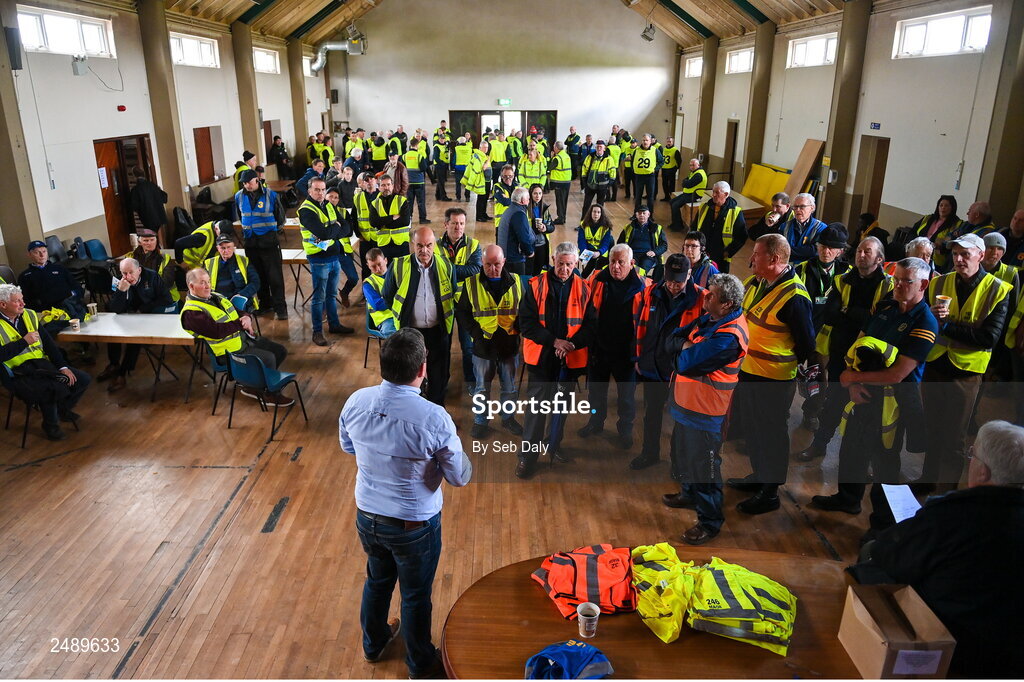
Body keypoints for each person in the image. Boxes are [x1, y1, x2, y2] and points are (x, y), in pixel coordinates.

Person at [338, 327, 471, 680]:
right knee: (414, 596)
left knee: (377, 580)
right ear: (423, 368)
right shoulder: (434, 417)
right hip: (414, 525)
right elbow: (459, 476)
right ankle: (420, 665)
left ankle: (375, 643)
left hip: (368, 517)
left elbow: (348, 446)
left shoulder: (356, 402)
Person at [850, 419, 1024, 679]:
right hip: (1011, 658)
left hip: (950, 648)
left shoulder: (952, 515)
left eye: (972, 455)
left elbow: (893, 558)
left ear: (983, 472)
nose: (970, 461)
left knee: (871, 553)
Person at [810, 257, 938, 520]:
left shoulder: (925, 322)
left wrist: (851, 379)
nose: (899, 285)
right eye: (897, 279)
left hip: (893, 401)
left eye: (906, 281)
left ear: (924, 284)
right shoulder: (885, 308)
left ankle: (884, 521)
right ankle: (847, 499)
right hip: (863, 392)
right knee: (851, 448)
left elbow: (897, 374)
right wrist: (853, 384)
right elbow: (859, 344)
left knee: (884, 460)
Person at [727, 234, 816, 515]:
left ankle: (770, 492)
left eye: (756, 254)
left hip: (774, 379)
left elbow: (807, 344)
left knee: (772, 433)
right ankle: (758, 476)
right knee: (753, 430)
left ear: (774, 259)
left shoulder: (795, 297)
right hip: (750, 372)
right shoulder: (757, 282)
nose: (751, 259)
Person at [918, 233, 1011, 493]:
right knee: (932, 428)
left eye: (965, 254)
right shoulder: (939, 283)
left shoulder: (997, 289)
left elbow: (988, 338)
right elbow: (923, 322)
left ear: (981, 256)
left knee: (954, 436)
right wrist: (932, 320)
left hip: (966, 372)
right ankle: (926, 480)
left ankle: (948, 490)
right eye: (955, 254)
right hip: (936, 365)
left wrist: (945, 326)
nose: (958, 260)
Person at [665, 273, 749, 545]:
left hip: (705, 412)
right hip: (687, 404)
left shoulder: (729, 337)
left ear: (725, 304)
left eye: (711, 294)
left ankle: (709, 522)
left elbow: (685, 363)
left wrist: (683, 347)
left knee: (705, 467)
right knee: (687, 458)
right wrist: (683, 345)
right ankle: (689, 493)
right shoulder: (711, 319)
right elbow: (674, 338)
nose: (705, 295)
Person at [799, 236, 893, 461]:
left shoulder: (888, 284)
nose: (861, 255)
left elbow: (880, 321)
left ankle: (867, 460)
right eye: (859, 250)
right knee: (833, 401)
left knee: (870, 409)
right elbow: (830, 315)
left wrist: (847, 311)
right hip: (842, 350)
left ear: (879, 258)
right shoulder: (843, 279)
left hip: (873, 357)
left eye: (867, 252)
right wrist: (862, 315)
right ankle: (819, 445)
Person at [517, 242, 596, 478]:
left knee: (561, 407)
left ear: (576, 264)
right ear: (553, 260)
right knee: (537, 409)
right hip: (542, 357)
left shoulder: (585, 289)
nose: (564, 268)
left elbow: (592, 326)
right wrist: (554, 342)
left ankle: (554, 444)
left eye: (569, 264)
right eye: (560, 263)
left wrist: (570, 345)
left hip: (570, 359)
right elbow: (526, 324)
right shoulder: (535, 285)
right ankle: (527, 457)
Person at [632, 254, 707, 471]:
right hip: (653, 365)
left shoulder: (703, 299)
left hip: (682, 370)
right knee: (651, 414)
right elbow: (639, 327)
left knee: (681, 419)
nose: (674, 286)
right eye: (670, 280)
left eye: (679, 281)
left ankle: (678, 461)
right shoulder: (650, 293)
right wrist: (639, 358)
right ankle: (649, 453)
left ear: (690, 275)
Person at [179, 268, 291, 406]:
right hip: (228, 353)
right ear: (191, 286)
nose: (208, 286)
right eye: (202, 283)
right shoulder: (191, 313)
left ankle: (253, 385)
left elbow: (236, 311)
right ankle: (270, 394)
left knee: (280, 351)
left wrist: (246, 317)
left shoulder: (215, 296)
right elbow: (217, 331)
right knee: (268, 358)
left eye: (208, 281)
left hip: (244, 340)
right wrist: (240, 324)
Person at [0, 283, 91, 440]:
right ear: (3, 304)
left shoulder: (29, 315)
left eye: (22, 299)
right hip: (18, 373)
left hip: (42, 366)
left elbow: (49, 346)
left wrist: (63, 367)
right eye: (17, 301)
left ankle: (62, 409)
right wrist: (23, 342)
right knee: (49, 391)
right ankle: (51, 426)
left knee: (83, 379)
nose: (23, 304)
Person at [578, 244, 646, 450]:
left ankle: (625, 430)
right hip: (600, 349)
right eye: (612, 262)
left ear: (632, 264)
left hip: (626, 353)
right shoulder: (598, 280)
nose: (615, 267)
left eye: (621, 263)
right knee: (596, 393)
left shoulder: (643, 287)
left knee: (626, 398)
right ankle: (595, 422)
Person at [382, 227, 457, 407]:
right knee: (410, 374)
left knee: (438, 373)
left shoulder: (446, 266)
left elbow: (452, 293)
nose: (424, 250)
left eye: (429, 245)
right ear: (412, 245)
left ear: (435, 245)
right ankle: (414, 408)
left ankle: (436, 409)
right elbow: (387, 295)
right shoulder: (398, 266)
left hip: (438, 330)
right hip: (410, 331)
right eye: (420, 246)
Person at [456, 245, 524, 438]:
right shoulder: (470, 284)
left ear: (503, 262)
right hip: (482, 346)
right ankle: (480, 421)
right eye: (487, 265)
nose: (492, 269)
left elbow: (526, 309)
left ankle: (508, 418)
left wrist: (518, 327)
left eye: (496, 264)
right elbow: (462, 313)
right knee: (481, 388)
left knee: (509, 387)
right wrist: (476, 333)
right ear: (481, 263)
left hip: (509, 345)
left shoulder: (517, 282)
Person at [793, 223, 850, 434]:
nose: (826, 251)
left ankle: (817, 412)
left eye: (831, 248)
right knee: (807, 374)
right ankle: (800, 410)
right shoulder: (802, 270)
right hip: (809, 332)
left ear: (840, 251)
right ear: (816, 247)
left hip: (835, 336)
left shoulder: (847, 274)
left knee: (827, 378)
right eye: (822, 246)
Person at [96, 258, 174, 392]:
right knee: (113, 331)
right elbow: (114, 309)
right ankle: (114, 364)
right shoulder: (120, 281)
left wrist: (144, 308)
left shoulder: (152, 276)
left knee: (134, 338)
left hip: (151, 316)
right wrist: (121, 292)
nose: (128, 277)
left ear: (139, 270)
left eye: (131, 272)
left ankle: (122, 373)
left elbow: (166, 299)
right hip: (129, 316)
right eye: (124, 273)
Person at [298, 177, 353, 347]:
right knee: (319, 298)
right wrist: (335, 229)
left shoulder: (328, 204)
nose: (321, 193)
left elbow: (347, 227)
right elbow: (323, 233)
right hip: (319, 259)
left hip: (334, 256)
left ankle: (334, 325)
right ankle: (317, 332)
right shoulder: (306, 210)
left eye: (323, 190)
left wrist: (333, 230)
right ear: (309, 191)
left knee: (331, 295)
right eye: (317, 190)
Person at [234, 169, 288, 320]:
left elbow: (281, 218)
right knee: (258, 277)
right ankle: (265, 304)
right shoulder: (239, 196)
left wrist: (271, 231)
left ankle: (280, 308)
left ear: (257, 180)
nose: (247, 185)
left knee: (275, 278)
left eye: (249, 182)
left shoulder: (271, 195)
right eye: (244, 183)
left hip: (269, 242)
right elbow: (240, 216)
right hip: (251, 243)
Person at [438, 208, 482, 394]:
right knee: (442, 346)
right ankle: (442, 381)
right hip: (442, 302)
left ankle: (471, 382)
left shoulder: (474, 245)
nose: (459, 227)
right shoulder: (434, 246)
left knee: (468, 346)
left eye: (462, 223)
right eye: (455, 223)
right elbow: (431, 269)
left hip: (466, 303)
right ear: (446, 224)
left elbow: (475, 270)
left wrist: (447, 270)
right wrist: (459, 270)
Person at [17, 240, 87, 326]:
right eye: (37, 252)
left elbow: (78, 288)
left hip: (69, 307)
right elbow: (25, 302)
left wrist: (71, 295)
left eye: (44, 251)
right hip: (47, 314)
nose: (42, 255)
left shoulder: (59, 269)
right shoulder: (25, 276)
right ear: (29, 255)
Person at [692, 181, 747, 273]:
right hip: (701, 253)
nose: (713, 195)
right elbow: (694, 228)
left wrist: (728, 252)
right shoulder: (704, 207)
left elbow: (742, 236)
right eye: (713, 191)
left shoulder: (736, 212)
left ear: (726, 194)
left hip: (721, 257)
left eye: (717, 192)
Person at [204, 233, 259, 311]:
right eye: (222, 248)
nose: (226, 250)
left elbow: (255, 282)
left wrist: (241, 295)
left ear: (233, 246)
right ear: (217, 248)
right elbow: (202, 284)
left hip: (239, 297)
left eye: (228, 247)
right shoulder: (209, 263)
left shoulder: (244, 261)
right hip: (217, 299)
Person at [122, 227, 177, 305]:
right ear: (139, 242)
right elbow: (125, 279)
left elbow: (167, 282)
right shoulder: (130, 258)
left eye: (152, 240)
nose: (149, 243)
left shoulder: (165, 258)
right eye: (146, 240)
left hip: (162, 298)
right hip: (137, 297)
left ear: (156, 241)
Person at [369, 174, 412, 263]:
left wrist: (382, 223)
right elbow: (373, 222)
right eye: (383, 185)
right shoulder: (374, 204)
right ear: (379, 187)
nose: (386, 187)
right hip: (384, 245)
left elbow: (405, 221)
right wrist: (392, 217)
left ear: (392, 186)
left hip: (401, 243)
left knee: (403, 271)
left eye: (388, 184)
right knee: (386, 272)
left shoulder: (402, 200)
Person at [618, 205, 668, 278]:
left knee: (642, 270)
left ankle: (641, 282)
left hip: (648, 255)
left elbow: (664, 245)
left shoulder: (657, 228)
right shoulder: (628, 227)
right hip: (633, 254)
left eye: (644, 213)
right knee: (629, 269)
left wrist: (654, 252)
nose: (642, 215)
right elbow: (620, 243)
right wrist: (626, 253)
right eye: (639, 213)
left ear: (648, 215)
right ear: (636, 215)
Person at [777, 192, 827, 264]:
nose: (798, 210)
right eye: (795, 207)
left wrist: (788, 251)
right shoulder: (784, 226)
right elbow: (779, 249)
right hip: (786, 267)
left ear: (812, 208)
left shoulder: (821, 228)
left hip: (809, 268)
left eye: (802, 206)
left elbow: (815, 251)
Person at [496, 187, 535, 277]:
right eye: (528, 198)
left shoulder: (510, 210)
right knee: (518, 286)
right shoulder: (519, 214)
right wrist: (530, 252)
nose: (529, 201)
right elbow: (524, 238)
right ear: (522, 200)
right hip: (515, 260)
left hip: (507, 257)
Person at [362, 248, 397, 338]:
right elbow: (378, 305)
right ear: (368, 266)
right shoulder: (368, 284)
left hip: (401, 314)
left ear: (385, 260)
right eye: (373, 266)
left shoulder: (397, 275)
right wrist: (398, 298)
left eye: (379, 264)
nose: (377, 269)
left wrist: (385, 298)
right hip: (386, 320)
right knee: (396, 339)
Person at [128, 167, 168, 245]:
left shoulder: (136, 190)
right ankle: (156, 249)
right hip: (159, 215)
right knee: (153, 235)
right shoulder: (153, 185)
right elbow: (164, 198)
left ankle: (155, 250)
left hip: (147, 217)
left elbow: (134, 206)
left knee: (150, 237)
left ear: (134, 176)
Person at [668, 158, 708, 231]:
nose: (691, 167)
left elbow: (688, 184)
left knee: (675, 205)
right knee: (672, 202)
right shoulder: (694, 172)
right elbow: (685, 181)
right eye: (690, 165)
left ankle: (678, 226)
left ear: (698, 165)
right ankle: (675, 223)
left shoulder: (699, 174)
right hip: (688, 193)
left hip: (695, 195)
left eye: (693, 165)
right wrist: (685, 182)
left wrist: (685, 182)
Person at [353, 172, 380, 279]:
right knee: (366, 267)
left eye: (371, 179)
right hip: (365, 239)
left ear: (376, 181)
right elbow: (354, 217)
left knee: (380, 265)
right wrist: (358, 234)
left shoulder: (382, 196)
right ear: (363, 183)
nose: (369, 182)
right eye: (366, 180)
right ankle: (366, 293)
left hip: (380, 238)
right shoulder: (358, 197)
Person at [577, 203, 615, 278]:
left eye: (598, 212)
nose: (596, 214)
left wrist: (599, 252)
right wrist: (585, 252)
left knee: (595, 263)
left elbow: (606, 243)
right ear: (590, 213)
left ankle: (584, 278)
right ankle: (584, 278)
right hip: (587, 249)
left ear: (601, 214)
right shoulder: (583, 225)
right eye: (594, 212)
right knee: (588, 261)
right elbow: (581, 241)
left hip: (601, 251)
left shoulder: (606, 227)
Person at [526, 184, 556, 276]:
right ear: (530, 194)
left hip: (542, 244)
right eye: (535, 193)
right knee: (529, 271)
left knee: (539, 271)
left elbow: (552, 227)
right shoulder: (525, 208)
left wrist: (545, 228)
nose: (537, 196)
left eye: (539, 193)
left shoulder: (544, 208)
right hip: (530, 245)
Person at [581, 140, 616, 216]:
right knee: (586, 205)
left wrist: (608, 184)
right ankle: (583, 224)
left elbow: (612, 172)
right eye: (597, 147)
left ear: (604, 148)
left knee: (600, 207)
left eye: (600, 147)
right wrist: (585, 182)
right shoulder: (590, 157)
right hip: (590, 185)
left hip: (602, 186)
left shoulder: (609, 159)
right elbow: (584, 169)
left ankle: (599, 224)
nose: (599, 148)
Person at [403, 142, 433, 225]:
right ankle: (422, 219)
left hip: (409, 182)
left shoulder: (405, 156)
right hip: (419, 181)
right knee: (421, 201)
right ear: (416, 146)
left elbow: (403, 167)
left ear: (410, 145)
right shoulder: (419, 156)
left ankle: (409, 219)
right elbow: (424, 168)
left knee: (409, 201)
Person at [462, 140, 491, 223]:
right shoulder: (477, 156)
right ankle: (479, 216)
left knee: (485, 198)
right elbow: (481, 168)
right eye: (484, 147)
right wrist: (487, 161)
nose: (486, 149)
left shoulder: (484, 156)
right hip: (481, 181)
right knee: (481, 199)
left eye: (487, 148)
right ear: (480, 147)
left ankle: (484, 213)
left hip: (487, 180)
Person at [631, 134, 662, 211]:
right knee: (638, 196)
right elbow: (632, 162)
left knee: (650, 197)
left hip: (650, 176)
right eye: (643, 140)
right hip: (639, 176)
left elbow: (661, 161)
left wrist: (656, 169)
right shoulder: (636, 150)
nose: (645, 142)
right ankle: (636, 214)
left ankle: (650, 215)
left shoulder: (655, 150)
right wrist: (634, 170)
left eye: (647, 140)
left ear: (650, 141)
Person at [548, 141, 572, 225]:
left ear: (557, 148)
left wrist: (551, 157)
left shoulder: (557, 158)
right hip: (567, 182)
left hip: (559, 183)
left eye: (554, 147)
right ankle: (563, 217)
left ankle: (560, 218)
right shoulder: (566, 156)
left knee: (560, 201)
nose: (553, 149)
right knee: (564, 201)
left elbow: (549, 168)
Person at [491, 164, 518, 231]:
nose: (508, 178)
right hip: (501, 223)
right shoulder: (497, 187)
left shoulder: (517, 187)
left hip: (515, 222)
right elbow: (504, 202)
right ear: (501, 176)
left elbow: (524, 202)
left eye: (510, 176)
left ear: (513, 176)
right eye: (505, 176)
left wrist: (509, 199)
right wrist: (517, 200)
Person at [431, 130, 452, 201]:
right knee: (441, 181)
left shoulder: (445, 145)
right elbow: (436, 158)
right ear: (438, 139)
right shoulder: (436, 146)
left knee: (440, 181)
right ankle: (443, 196)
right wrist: (442, 163)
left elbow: (446, 152)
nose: (442, 140)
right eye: (441, 139)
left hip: (444, 165)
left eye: (443, 139)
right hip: (439, 166)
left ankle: (437, 195)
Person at [659, 137, 681, 202]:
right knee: (664, 184)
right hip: (664, 169)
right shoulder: (663, 149)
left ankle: (672, 197)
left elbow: (679, 160)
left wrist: (676, 168)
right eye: (668, 141)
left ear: (673, 142)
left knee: (671, 184)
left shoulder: (675, 150)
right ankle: (666, 196)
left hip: (671, 169)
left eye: (670, 142)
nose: (669, 143)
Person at [452, 136, 472, 202]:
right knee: (467, 183)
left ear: (459, 142)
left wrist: (452, 167)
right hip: (467, 168)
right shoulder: (469, 148)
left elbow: (454, 158)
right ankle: (467, 197)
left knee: (458, 184)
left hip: (458, 168)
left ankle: (458, 198)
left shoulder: (456, 148)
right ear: (465, 142)